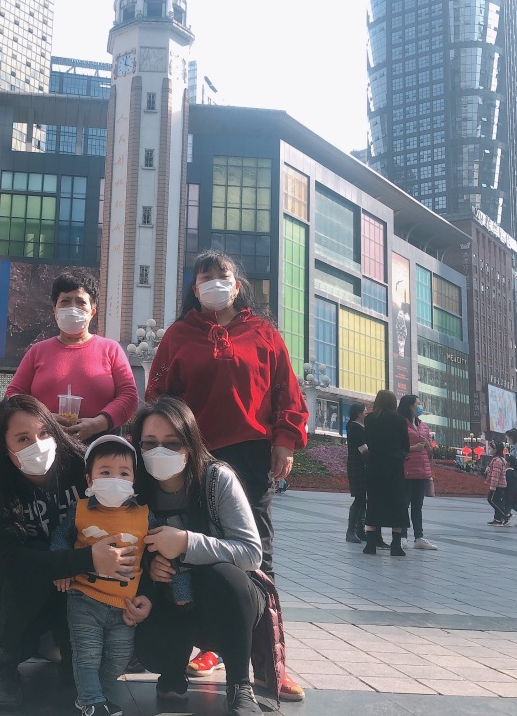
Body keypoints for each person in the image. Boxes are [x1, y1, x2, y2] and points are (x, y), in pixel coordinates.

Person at [144, 249, 307, 700]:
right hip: (193, 456)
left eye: (223, 274)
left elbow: (286, 392)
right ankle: (207, 646)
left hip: (252, 454)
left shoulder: (265, 333)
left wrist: (285, 439)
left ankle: (268, 667)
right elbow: (157, 393)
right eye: (205, 276)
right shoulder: (178, 335)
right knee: (193, 547)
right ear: (193, 288)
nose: (214, 282)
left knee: (257, 557)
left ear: (238, 284)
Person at [0, 394, 138, 711]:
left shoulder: (81, 468)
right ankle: (2, 661)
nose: (38, 444)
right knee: (31, 561)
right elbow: (15, 563)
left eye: (44, 433)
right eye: (23, 438)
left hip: (77, 596)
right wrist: (84, 559)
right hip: (12, 599)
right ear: (5, 448)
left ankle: (74, 657)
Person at [132, 396, 281, 716]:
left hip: (227, 600)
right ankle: (170, 670)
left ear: (190, 443)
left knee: (223, 577)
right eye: (149, 443)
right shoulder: (135, 487)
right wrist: (150, 566)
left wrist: (186, 543)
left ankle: (239, 684)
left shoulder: (216, 479)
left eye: (172, 443)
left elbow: (251, 553)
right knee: (153, 626)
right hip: (172, 596)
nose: (160, 451)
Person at [50, 435, 158, 716]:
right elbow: (60, 538)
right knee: (87, 653)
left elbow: (162, 554)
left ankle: (102, 696)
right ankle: (90, 701)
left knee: (119, 656)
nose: (115, 479)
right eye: (105, 472)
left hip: (126, 604)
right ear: (90, 480)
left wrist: (179, 589)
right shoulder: (80, 509)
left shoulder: (145, 515)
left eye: (124, 473)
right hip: (84, 597)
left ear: (134, 480)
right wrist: (63, 567)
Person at [5, 271, 139, 443]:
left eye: (81, 302)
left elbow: (129, 396)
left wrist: (98, 424)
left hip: (99, 450)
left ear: (92, 311)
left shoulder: (111, 349)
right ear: (55, 309)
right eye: (65, 301)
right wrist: (43, 419)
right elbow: (12, 396)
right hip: (45, 448)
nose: (73, 308)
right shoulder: (37, 351)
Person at [362, 390, 410, 555]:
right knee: (397, 503)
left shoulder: (369, 419)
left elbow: (367, 441)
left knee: (374, 502)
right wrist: (400, 455)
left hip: (374, 465)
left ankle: (370, 543)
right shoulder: (399, 420)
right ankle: (396, 545)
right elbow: (406, 444)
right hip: (394, 466)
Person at [398, 395, 437, 550]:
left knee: (417, 506)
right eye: (417, 404)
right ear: (409, 406)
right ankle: (401, 536)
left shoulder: (423, 426)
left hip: (422, 470)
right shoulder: (400, 423)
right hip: (407, 470)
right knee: (404, 504)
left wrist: (428, 445)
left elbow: (430, 452)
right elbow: (397, 446)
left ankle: (419, 537)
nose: (420, 407)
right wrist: (413, 449)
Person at [345, 404, 368, 543]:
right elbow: (363, 449)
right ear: (359, 413)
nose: (367, 412)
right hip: (357, 466)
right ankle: (351, 530)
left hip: (360, 466)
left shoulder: (359, 427)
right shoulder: (355, 427)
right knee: (359, 498)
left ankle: (360, 530)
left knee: (363, 498)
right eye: (365, 410)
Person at [485, 441, 511, 525]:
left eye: (490, 448)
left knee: (491, 500)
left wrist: (493, 486)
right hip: (501, 484)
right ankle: (498, 518)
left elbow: (495, 475)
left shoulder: (497, 461)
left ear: (495, 450)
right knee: (497, 500)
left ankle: (506, 515)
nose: (489, 450)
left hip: (497, 484)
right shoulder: (500, 460)